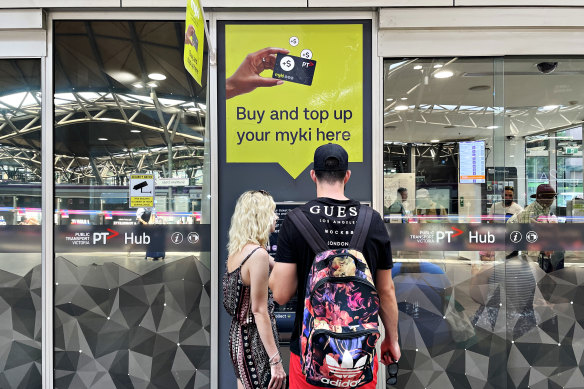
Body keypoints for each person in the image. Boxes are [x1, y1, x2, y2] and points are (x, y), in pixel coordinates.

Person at [269, 143, 400, 389]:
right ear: (347, 175)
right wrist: (392, 339)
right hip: (360, 356)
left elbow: (281, 294)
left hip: (311, 357)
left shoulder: (295, 221)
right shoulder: (372, 221)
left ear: (313, 175)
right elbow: (386, 291)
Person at [223, 190, 286, 389]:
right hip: (254, 341)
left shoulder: (239, 251)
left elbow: (281, 269)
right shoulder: (257, 255)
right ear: (261, 216)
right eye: (272, 211)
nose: (276, 216)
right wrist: (275, 361)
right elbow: (259, 311)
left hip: (238, 337)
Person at [508, 183, 563, 272]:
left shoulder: (545, 209)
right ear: (539, 197)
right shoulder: (529, 213)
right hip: (531, 258)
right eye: (548, 197)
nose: (551, 200)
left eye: (552, 197)